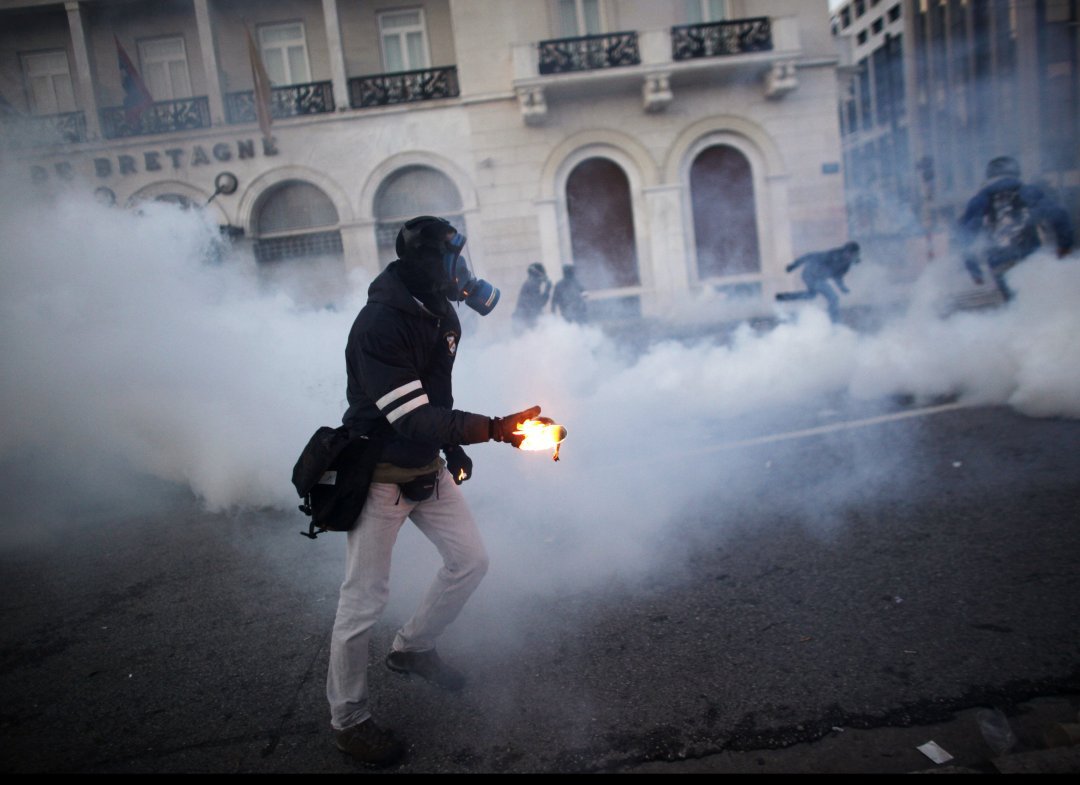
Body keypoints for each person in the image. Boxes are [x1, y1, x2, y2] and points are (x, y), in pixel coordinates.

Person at [327, 214, 541, 767]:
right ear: (424, 263)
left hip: (426, 464)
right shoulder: (378, 324)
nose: (461, 270)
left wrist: (453, 447)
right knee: (362, 603)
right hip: (379, 476)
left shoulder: (443, 312)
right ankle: (348, 720)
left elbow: (436, 399)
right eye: (450, 258)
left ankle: (414, 647)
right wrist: (491, 429)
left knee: (471, 561)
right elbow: (410, 416)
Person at [956, 155, 1074, 302]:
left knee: (1013, 305)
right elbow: (1059, 214)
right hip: (1030, 259)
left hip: (999, 263)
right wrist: (1065, 245)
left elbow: (966, 236)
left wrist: (974, 269)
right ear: (1016, 173)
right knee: (1037, 301)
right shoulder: (1028, 191)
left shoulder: (981, 199)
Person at [775, 241, 861, 323]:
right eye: (850, 254)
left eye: (854, 255)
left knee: (811, 295)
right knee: (833, 298)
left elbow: (837, 276)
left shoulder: (847, 264)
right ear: (846, 251)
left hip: (819, 278)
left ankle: (782, 297)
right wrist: (793, 265)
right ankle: (835, 322)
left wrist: (842, 287)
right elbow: (809, 256)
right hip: (811, 275)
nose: (851, 256)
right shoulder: (832, 254)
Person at [511, 262, 551, 331]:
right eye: (542, 273)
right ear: (537, 274)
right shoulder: (533, 284)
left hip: (524, 321)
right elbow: (540, 303)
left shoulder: (529, 283)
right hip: (526, 322)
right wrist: (547, 290)